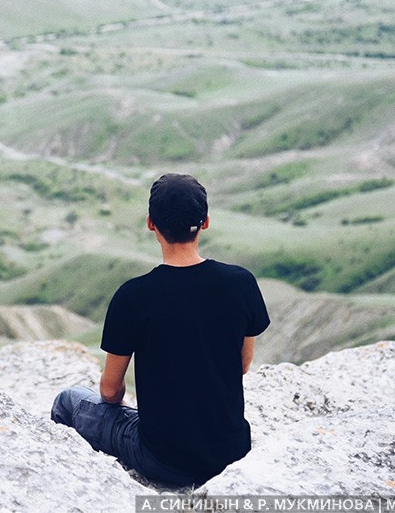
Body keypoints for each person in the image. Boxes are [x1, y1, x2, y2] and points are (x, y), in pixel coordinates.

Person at [51, 173, 270, 489]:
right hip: (230, 453)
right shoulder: (241, 283)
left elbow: (110, 391)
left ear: (151, 223)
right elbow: (242, 365)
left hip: (162, 460)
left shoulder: (134, 296)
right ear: (205, 222)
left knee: (68, 400)